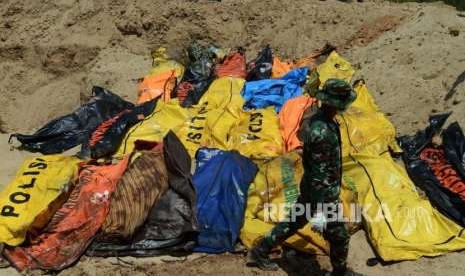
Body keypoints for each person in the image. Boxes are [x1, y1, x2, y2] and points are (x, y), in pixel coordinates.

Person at [248, 78, 362, 276]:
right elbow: (319, 172)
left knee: (296, 221)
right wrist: (320, 210)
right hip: (322, 192)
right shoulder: (322, 132)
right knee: (339, 235)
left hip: (313, 187)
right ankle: (340, 272)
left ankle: (262, 249)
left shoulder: (318, 119)